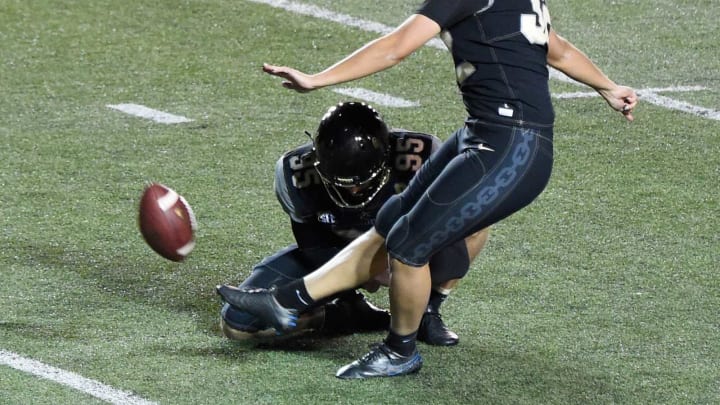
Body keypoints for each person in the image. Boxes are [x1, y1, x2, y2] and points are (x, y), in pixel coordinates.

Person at [217, 0, 638, 379]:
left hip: (512, 144)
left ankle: (400, 350)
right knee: (390, 220)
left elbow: (395, 47)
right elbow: (556, 48)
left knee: (407, 244)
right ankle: (285, 301)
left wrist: (317, 80)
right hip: (486, 133)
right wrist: (607, 86)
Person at [221, 101, 490, 346]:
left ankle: (428, 310)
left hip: (408, 246)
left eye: (362, 182)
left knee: (477, 216)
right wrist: (363, 271)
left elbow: (451, 231)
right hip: (336, 252)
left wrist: (396, 261)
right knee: (238, 323)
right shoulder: (295, 174)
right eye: (342, 183)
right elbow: (313, 247)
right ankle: (342, 312)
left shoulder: (422, 157)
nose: (353, 192)